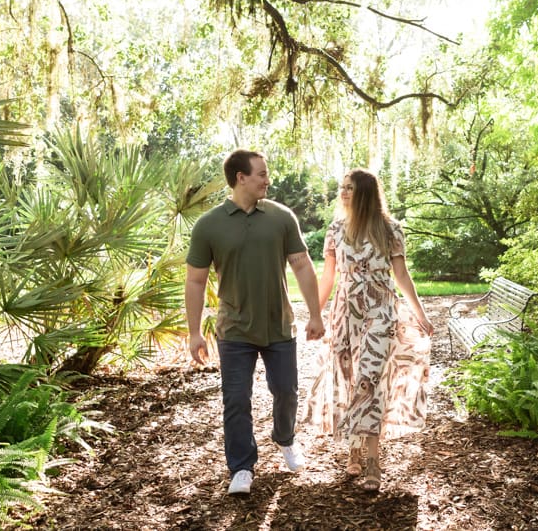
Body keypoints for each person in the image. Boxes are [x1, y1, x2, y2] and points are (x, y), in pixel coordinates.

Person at [185, 149, 325, 496]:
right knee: (235, 399)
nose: (267, 179)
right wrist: (193, 332)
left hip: (279, 326)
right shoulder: (209, 225)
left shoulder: (281, 217)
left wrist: (315, 313)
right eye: (261, 174)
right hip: (233, 329)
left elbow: (303, 265)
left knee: (286, 392)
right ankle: (242, 467)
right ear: (240, 178)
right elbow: (195, 281)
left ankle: (285, 439)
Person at [304, 168, 433, 492]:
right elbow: (328, 278)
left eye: (349, 188)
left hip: (380, 312)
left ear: (365, 192)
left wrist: (420, 312)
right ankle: (354, 448)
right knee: (350, 379)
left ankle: (373, 460)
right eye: (342, 187)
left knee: (369, 380)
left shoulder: (390, 229)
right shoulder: (336, 230)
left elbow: (401, 276)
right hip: (345, 314)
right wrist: (314, 315)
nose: (343, 192)